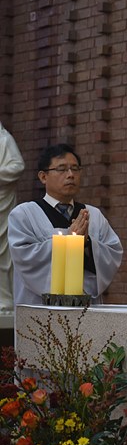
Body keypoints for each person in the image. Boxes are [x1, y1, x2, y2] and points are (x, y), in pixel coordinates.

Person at [8, 144, 123, 306]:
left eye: (75, 169)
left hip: (87, 307)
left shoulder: (93, 215)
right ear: (43, 177)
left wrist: (88, 244)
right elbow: (24, 257)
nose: (70, 175)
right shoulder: (24, 214)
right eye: (61, 169)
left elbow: (113, 253)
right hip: (40, 307)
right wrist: (68, 240)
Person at [0, 122, 25, 312]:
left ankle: (4, 299)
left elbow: (17, 166)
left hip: (2, 203)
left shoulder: (4, 140)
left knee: (2, 253)